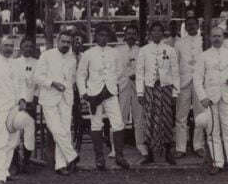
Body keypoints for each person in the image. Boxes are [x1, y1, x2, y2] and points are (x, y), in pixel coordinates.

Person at [193, 26, 228, 175]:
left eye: (219, 36)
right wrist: (203, 97)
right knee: (213, 131)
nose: (217, 39)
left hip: (226, 96)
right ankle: (217, 163)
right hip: (211, 98)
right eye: (214, 36)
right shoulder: (204, 56)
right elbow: (197, 79)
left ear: (223, 37)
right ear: (210, 38)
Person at [0, 36, 35, 184]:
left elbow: (22, 83)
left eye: (11, 45)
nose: (9, 48)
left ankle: (5, 171)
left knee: (12, 141)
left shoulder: (16, 64)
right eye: (6, 45)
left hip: (14, 108)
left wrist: (23, 99)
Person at [77, 24, 129, 170]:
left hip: (110, 93)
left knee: (118, 123)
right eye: (100, 35)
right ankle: (99, 158)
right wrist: (84, 92)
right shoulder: (88, 53)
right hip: (94, 95)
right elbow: (80, 75)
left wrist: (110, 81)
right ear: (96, 36)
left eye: (106, 35)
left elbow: (120, 71)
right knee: (96, 124)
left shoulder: (114, 52)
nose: (103, 38)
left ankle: (119, 156)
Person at [34, 30, 80, 176]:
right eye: (63, 41)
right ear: (57, 41)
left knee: (65, 130)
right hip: (49, 97)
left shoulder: (72, 59)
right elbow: (37, 77)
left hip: (66, 98)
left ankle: (61, 165)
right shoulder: (47, 55)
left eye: (68, 42)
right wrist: (53, 83)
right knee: (56, 129)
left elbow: (72, 79)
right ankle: (72, 155)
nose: (66, 45)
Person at [136, 21, 179, 165]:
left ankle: (167, 152)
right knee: (149, 119)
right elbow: (139, 73)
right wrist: (140, 93)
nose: (156, 33)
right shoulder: (144, 50)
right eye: (153, 30)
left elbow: (175, 73)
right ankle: (150, 154)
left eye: (159, 30)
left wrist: (175, 93)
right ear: (150, 32)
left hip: (166, 88)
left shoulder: (170, 50)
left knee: (167, 119)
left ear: (163, 33)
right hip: (150, 88)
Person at [174, 14, 203, 158]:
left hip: (199, 83)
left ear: (198, 26)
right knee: (181, 116)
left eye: (193, 24)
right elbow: (175, 64)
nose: (191, 26)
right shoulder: (179, 43)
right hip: (183, 82)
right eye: (188, 24)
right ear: (185, 27)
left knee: (200, 115)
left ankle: (198, 145)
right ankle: (181, 148)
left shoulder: (205, 41)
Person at [118, 25, 146, 158]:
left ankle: (140, 144)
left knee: (139, 117)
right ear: (125, 35)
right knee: (120, 117)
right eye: (128, 33)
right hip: (123, 86)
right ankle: (116, 147)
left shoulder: (141, 51)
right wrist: (127, 75)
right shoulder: (118, 51)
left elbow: (143, 68)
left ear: (137, 36)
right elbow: (116, 70)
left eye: (133, 34)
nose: (131, 36)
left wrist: (136, 75)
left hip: (137, 87)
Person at [11, 37, 39, 174]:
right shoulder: (14, 63)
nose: (28, 48)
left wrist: (35, 99)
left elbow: (39, 84)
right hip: (16, 104)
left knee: (30, 132)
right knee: (15, 133)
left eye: (30, 46)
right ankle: (15, 163)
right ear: (21, 47)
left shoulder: (37, 63)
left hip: (30, 102)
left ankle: (26, 161)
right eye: (25, 46)